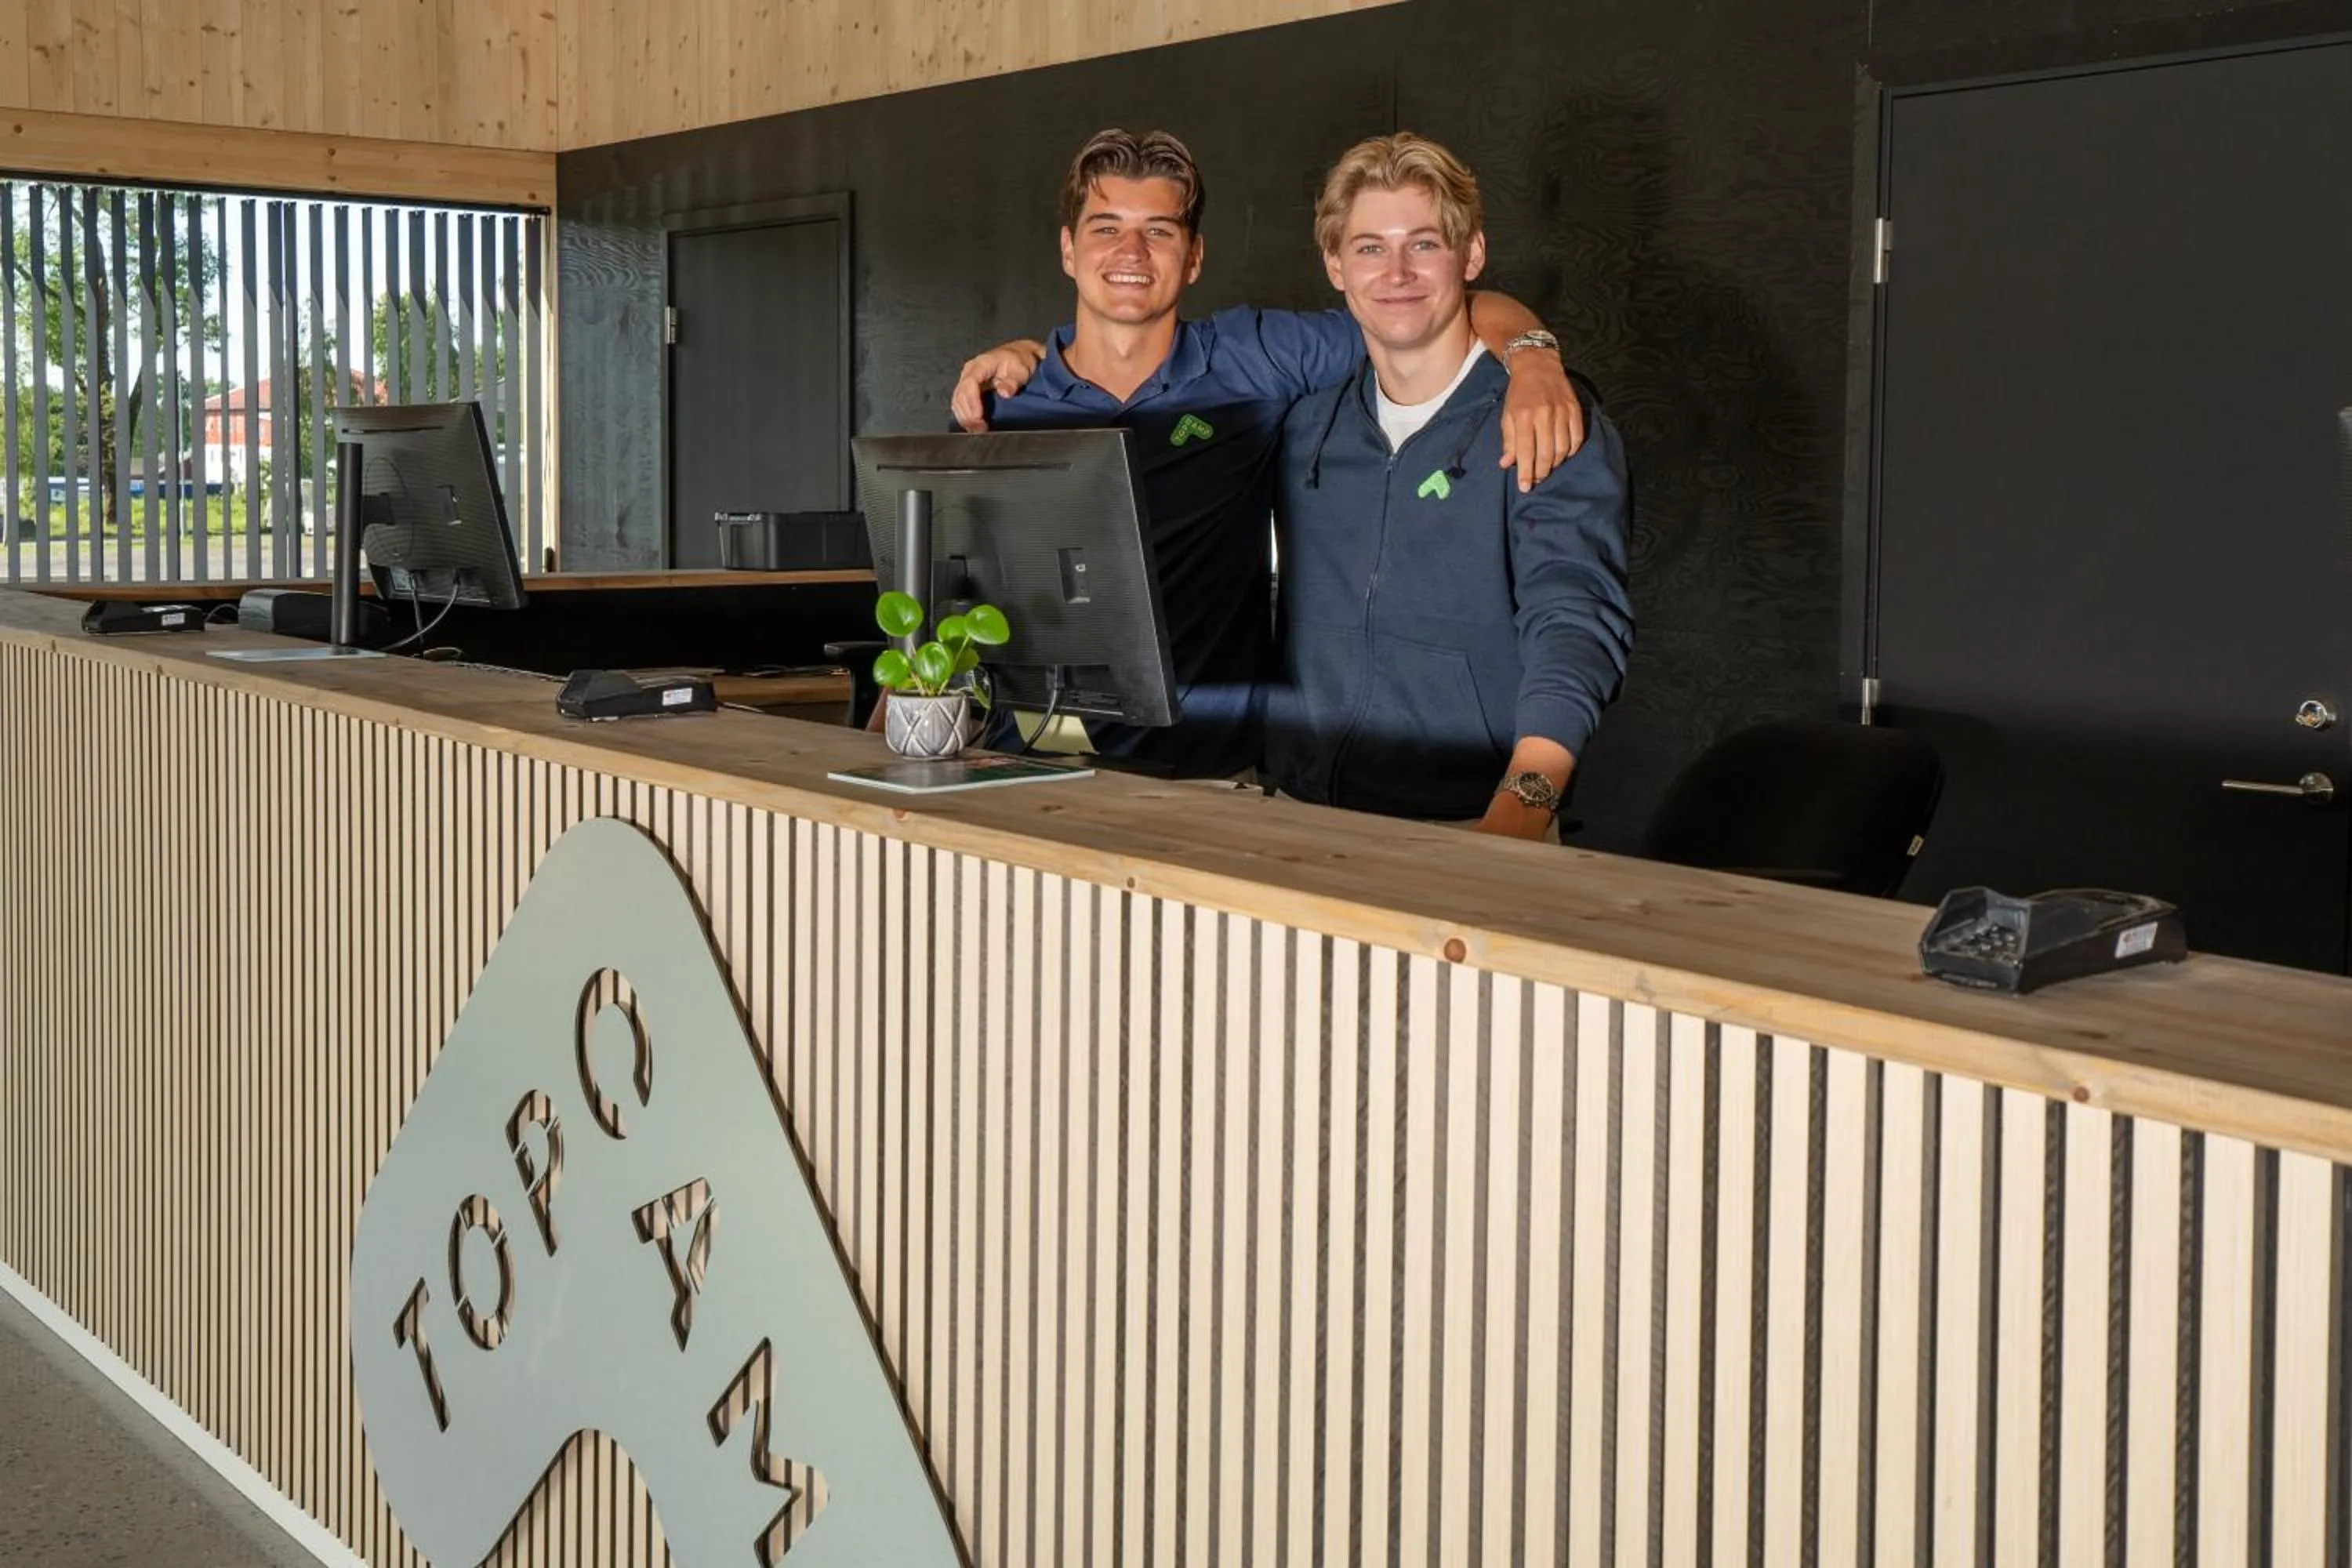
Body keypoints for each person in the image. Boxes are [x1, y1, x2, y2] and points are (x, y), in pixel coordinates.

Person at [945, 128, 1584, 779]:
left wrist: (1533, 357)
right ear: (1068, 251)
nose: (1131, 252)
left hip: (1212, 774)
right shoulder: (1003, 406)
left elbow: (1430, 307)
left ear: (1194, 256)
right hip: (1027, 762)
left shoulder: (1256, 358)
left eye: (1159, 231)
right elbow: (945, 598)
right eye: (1106, 229)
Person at [1259, 132, 1633, 839]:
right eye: (1370, 247)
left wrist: (1522, 806)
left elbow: (1576, 622)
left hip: (1472, 825)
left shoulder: (1545, 419)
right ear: (1335, 265)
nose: (1396, 271)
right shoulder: (1305, 425)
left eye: (1424, 244)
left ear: (1473, 256)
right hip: (1301, 817)